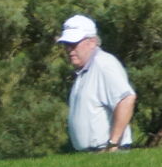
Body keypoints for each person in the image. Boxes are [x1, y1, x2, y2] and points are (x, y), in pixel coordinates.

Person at [56, 14, 136, 151]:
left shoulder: (104, 64)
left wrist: (113, 143)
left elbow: (126, 99)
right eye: (67, 45)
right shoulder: (84, 70)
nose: (70, 50)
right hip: (91, 154)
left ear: (92, 42)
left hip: (107, 152)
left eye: (74, 44)